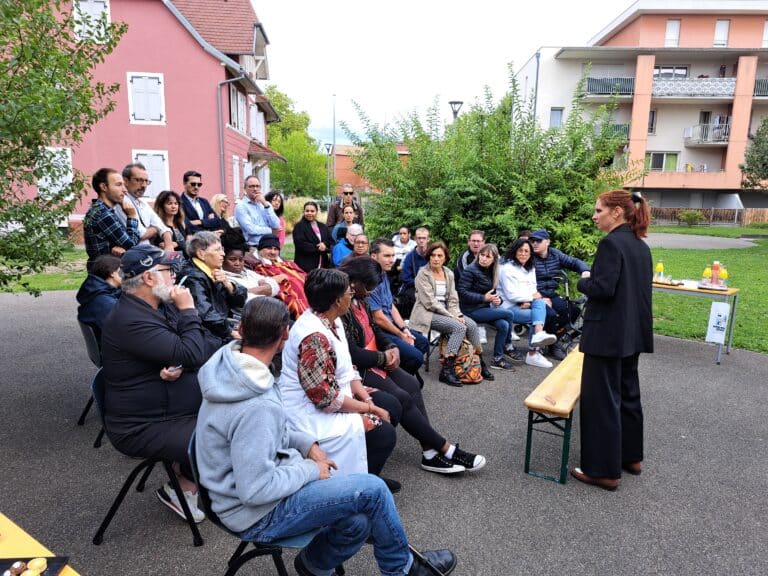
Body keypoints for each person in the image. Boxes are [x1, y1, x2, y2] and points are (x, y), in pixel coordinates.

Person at [194, 297, 457, 576]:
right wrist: (310, 469)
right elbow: (255, 490)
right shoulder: (255, 404)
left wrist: (308, 445)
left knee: (357, 521)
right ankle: (402, 570)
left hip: (238, 493)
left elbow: (276, 426)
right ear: (285, 334)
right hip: (254, 513)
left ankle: (314, 566)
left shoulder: (235, 369)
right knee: (374, 490)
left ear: (241, 329)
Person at [101, 244, 221, 523]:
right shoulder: (130, 319)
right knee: (224, 431)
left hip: (163, 405)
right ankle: (181, 488)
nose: (175, 278)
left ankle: (188, 473)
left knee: (233, 410)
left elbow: (199, 345)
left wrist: (223, 345)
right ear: (149, 277)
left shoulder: (155, 306)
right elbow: (192, 352)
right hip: (142, 424)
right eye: (168, 271)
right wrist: (189, 309)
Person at [339, 256, 487, 475]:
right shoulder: (342, 305)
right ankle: (445, 448)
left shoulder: (360, 299)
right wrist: (383, 357)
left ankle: (429, 452)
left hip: (374, 358)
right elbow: (349, 352)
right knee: (402, 397)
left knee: (411, 384)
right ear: (354, 282)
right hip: (357, 368)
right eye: (369, 286)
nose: (371, 291)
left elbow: (374, 328)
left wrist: (390, 345)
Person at [279, 268, 401, 488]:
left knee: (392, 404)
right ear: (336, 300)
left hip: (331, 395)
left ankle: (367, 473)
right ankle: (359, 486)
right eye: (348, 293)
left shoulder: (331, 320)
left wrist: (367, 399)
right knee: (383, 432)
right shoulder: (313, 337)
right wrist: (369, 409)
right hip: (308, 411)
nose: (351, 296)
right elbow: (324, 398)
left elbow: (346, 367)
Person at [571, 190, 653, 492]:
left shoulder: (610, 244)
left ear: (616, 212)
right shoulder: (640, 246)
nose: (595, 216)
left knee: (601, 402)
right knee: (628, 394)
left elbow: (603, 288)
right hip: (631, 334)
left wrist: (584, 279)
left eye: (598, 210)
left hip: (606, 336)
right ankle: (631, 458)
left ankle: (603, 471)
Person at [409, 241, 493, 387]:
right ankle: (447, 369)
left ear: (445, 257)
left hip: (448, 312)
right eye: (433, 255)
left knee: (471, 325)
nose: (436, 258)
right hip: (427, 313)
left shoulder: (448, 273)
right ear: (429, 257)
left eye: (439, 255)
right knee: (458, 327)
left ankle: (479, 362)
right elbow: (429, 302)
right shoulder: (423, 274)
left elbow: (453, 298)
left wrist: (457, 314)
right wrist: (451, 316)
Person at [369, 238, 429, 380]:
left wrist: (404, 329)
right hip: (378, 330)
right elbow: (378, 318)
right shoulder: (370, 279)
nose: (391, 260)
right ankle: (394, 380)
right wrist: (400, 335)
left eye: (393, 255)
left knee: (422, 342)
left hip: (391, 324)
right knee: (416, 357)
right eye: (387, 256)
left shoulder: (384, 274)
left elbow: (391, 306)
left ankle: (400, 373)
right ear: (373, 256)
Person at [497, 239, 560, 369]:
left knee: (539, 305)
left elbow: (532, 289)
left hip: (522, 303)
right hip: (506, 307)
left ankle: (536, 340)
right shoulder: (507, 268)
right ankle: (533, 351)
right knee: (538, 310)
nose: (524, 254)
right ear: (514, 252)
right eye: (520, 250)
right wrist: (530, 299)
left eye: (527, 251)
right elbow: (511, 295)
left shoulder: (530, 267)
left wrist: (530, 301)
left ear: (531, 253)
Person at [457, 243, 520, 371]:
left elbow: (493, 293)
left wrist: (498, 300)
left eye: (488, 257)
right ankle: (508, 346)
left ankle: (497, 359)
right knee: (509, 314)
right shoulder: (470, 270)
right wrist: (483, 298)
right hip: (470, 310)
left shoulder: (491, 272)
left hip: (483, 308)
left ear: (494, 260)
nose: (484, 258)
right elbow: (462, 293)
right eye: (482, 255)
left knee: (504, 325)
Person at [530, 229, 589, 360]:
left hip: (551, 293)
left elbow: (573, 262)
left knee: (573, 311)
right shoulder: (529, 256)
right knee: (550, 314)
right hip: (535, 295)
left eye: (538, 241)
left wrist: (584, 270)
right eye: (532, 240)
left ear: (547, 242)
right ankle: (552, 346)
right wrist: (539, 296)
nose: (534, 243)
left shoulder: (555, 254)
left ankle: (554, 339)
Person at [180, 231, 247, 341]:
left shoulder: (211, 270)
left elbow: (241, 300)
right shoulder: (193, 278)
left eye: (222, 249)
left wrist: (229, 286)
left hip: (221, 328)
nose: (223, 254)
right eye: (217, 250)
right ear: (201, 254)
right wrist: (231, 332)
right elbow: (206, 314)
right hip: (206, 336)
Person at [83, 167, 140, 270]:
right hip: (105, 274)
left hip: (104, 271)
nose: (125, 190)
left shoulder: (101, 210)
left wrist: (114, 248)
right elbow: (131, 245)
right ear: (104, 187)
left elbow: (125, 245)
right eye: (119, 185)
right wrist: (132, 216)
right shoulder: (103, 213)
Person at [244, 234, 310, 319]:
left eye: (275, 249)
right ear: (260, 249)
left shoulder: (285, 263)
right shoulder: (258, 266)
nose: (273, 252)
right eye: (269, 248)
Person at [115, 163, 173, 248]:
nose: (144, 185)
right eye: (139, 180)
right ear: (126, 181)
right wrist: (156, 228)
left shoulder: (143, 202)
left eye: (146, 181)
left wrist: (169, 246)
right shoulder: (122, 202)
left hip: (148, 252)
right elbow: (140, 234)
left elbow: (164, 228)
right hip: (135, 254)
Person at [221, 229, 279, 306]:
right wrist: (265, 287)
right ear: (223, 259)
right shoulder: (224, 278)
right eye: (232, 259)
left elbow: (275, 286)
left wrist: (247, 291)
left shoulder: (248, 272)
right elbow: (245, 299)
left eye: (241, 260)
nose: (238, 263)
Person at [76, 254, 122, 342]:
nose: (126, 274)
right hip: (115, 352)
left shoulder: (94, 293)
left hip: (107, 348)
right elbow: (125, 332)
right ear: (112, 273)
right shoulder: (105, 303)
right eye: (122, 271)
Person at [235, 176, 280, 247]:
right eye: (251, 186)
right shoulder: (241, 206)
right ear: (245, 189)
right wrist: (271, 230)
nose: (255, 189)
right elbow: (251, 229)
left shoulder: (266, 204)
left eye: (257, 186)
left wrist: (265, 204)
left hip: (271, 244)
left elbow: (276, 225)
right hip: (254, 246)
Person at [397, 227, 430, 319]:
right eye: (419, 238)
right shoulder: (409, 257)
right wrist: (422, 283)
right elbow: (406, 279)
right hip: (414, 288)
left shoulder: (432, 255)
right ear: (415, 239)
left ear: (428, 239)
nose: (421, 241)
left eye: (424, 238)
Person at [292, 201, 333, 273]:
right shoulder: (299, 226)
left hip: (323, 265)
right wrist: (318, 247)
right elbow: (300, 244)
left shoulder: (323, 226)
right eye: (307, 211)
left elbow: (330, 241)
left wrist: (325, 245)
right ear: (304, 212)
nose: (309, 213)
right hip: (305, 265)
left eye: (312, 211)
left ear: (316, 212)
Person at [153, 190, 189, 255]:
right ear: (161, 206)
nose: (173, 206)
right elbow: (162, 246)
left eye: (176, 203)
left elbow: (189, 244)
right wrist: (182, 244)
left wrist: (177, 244)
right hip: (171, 261)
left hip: (187, 258)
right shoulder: (159, 226)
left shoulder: (180, 223)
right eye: (169, 203)